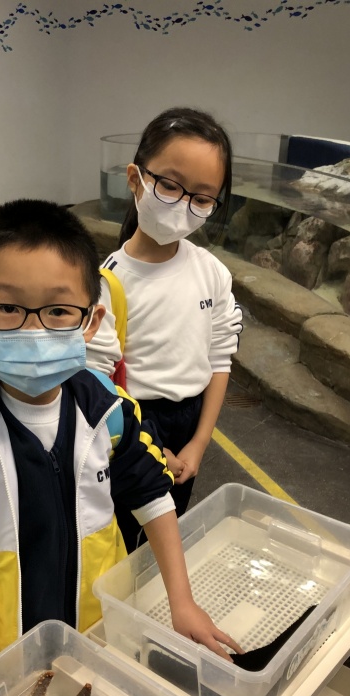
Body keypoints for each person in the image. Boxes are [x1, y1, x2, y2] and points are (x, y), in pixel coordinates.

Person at [0, 199, 242, 677]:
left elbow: (152, 495)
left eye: (58, 310)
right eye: (8, 308)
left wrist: (181, 600)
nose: (34, 329)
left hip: (98, 631)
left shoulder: (112, 412)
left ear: (91, 322)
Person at [86, 107, 243, 551]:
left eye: (203, 198)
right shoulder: (106, 284)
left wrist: (199, 443)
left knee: (167, 535)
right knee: (123, 540)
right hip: (130, 425)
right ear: (135, 179)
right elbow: (96, 383)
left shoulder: (212, 272)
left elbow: (219, 358)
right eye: (170, 185)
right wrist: (148, 446)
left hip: (190, 421)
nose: (183, 205)